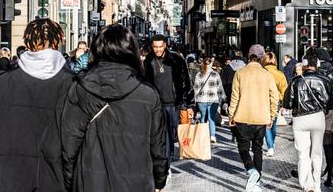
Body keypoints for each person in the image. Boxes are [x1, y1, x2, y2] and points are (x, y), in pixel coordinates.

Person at [62, 24, 168, 192]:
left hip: (90, 180)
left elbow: (68, 144)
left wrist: (69, 182)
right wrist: (159, 179)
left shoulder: (81, 89)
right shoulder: (147, 95)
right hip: (136, 180)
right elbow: (158, 146)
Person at [0, 18, 73, 191]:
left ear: (27, 41)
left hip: (8, 177)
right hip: (56, 179)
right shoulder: (74, 85)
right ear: (58, 42)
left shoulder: (0, 84)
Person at [228, 44, 279, 192]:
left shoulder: (240, 73)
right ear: (262, 57)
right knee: (257, 149)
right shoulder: (267, 75)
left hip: (242, 117)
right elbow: (274, 97)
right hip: (261, 118)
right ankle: (257, 181)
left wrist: (231, 114)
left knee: (243, 148)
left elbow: (235, 97)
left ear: (248, 56)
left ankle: (252, 171)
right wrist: (272, 115)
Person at [283, 55, 333, 192]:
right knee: (317, 152)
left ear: (304, 66)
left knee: (303, 153)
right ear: (317, 65)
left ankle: (307, 185)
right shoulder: (325, 80)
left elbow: (287, 103)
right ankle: (317, 185)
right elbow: (329, 102)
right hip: (318, 118)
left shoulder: (295, 81)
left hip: (300, 119)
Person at [144, 34, 194, 169]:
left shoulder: (177, 59)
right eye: (155, 47)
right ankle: (166, 162)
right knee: (162, 135)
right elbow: (146, 83)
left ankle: (169, 155)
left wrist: (189, 105)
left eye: (160, 46)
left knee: (173, 135)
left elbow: (186, 82)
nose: (158, 50)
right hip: (157, 105)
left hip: (175, 104)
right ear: (152, 47)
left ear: (165, 45)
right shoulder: (148, 60)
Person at [307, 47, 333, 188]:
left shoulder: (316, 71)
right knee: (328, 143)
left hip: (315, 110)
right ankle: (330, 177)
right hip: (331, 110)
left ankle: (312, 174)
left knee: (312, 143)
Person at [260, 52, 288, 157]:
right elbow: (284, 90)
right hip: (276, 102)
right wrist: (283, 103)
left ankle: (270, 146)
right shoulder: (280, 74)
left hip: (264, 101)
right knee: (273, 124)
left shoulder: (262, 73)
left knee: (266, 124)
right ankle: (272, 143)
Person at [194, 57, 226, 143]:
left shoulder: (199, 74)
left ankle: (202, 136)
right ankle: (212, 135)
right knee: (211, 118)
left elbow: (196, 88)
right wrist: (223, 97)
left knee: (203, 117)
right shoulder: (215, 74)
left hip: (202, 100)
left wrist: (195, 99)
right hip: (213, 99)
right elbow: (219, 88)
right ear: (211, 64)